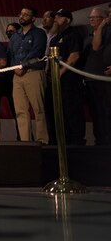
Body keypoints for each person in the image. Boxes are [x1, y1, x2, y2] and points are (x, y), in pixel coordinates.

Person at [7, 8, 48, 144]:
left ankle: (42, 140)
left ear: (33, 18)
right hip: (17, 76)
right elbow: (11, 54)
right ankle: (25, 141)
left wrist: (22, 66)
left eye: (26, 14)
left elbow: (37, 51)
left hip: (33, 72)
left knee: (38, 109)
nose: (22, 16)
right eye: (21, 14)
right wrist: (15, 67)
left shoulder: (39, 33)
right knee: (20, 110)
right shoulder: (15, 36)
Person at [46, 9, 85, 145]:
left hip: (70, 79)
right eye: (55, 16)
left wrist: (60, 72)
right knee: (57, 111)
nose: (55, 19)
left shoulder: (73, 34)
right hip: (55, 81)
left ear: (67, 20)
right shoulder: (55, 39)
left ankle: (76, 141)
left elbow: (74, 56)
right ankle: (61, 140)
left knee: (71, 110)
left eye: (59, 16)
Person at [83, 7, 111, 145]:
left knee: (105, 111)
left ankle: (106, 140)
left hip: (103, 78)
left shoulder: (107, 32)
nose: (92, 20)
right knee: (95, 112)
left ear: (103, 19)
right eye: (90, 18)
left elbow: (96, 46)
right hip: (89, 79)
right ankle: (99, 140)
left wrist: (100, 28)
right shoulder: (88, 35)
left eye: (95, 17)